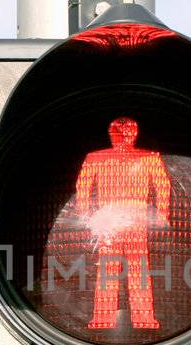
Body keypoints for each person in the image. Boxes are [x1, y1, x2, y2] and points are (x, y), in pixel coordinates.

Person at [73, 116, 172, 331]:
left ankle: (119, 318)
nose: (124, 138)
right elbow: (83, 187)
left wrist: (87, 218)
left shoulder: (146, 157)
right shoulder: (144, 157)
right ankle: (127, 318)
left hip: (120, 217)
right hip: (119, 217)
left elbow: (162, 185)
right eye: (120, 133)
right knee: (131, 268)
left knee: (125, 268)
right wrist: (160, 215)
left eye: (127, 133)